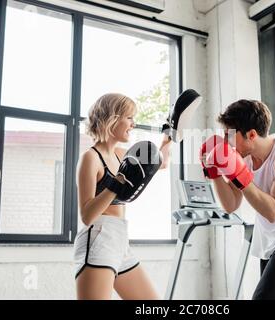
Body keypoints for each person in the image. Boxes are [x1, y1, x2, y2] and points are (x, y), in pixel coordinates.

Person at [74, 90, 201, 300]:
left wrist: (169, 136)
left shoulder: (120, 154)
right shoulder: (90, 158)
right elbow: (87, 215)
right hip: (98, 238)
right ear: (111, 118)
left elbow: (161, 162)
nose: (133, 124)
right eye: (129, 118)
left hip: (119, 240)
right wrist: (117, 183)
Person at [200, 99, 275, 300]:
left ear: (252, 135)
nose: (225, 141)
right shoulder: (243, 157)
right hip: (269, 244)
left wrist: (240, 176)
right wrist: (214, 172)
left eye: (230, 135)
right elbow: (230, 205)